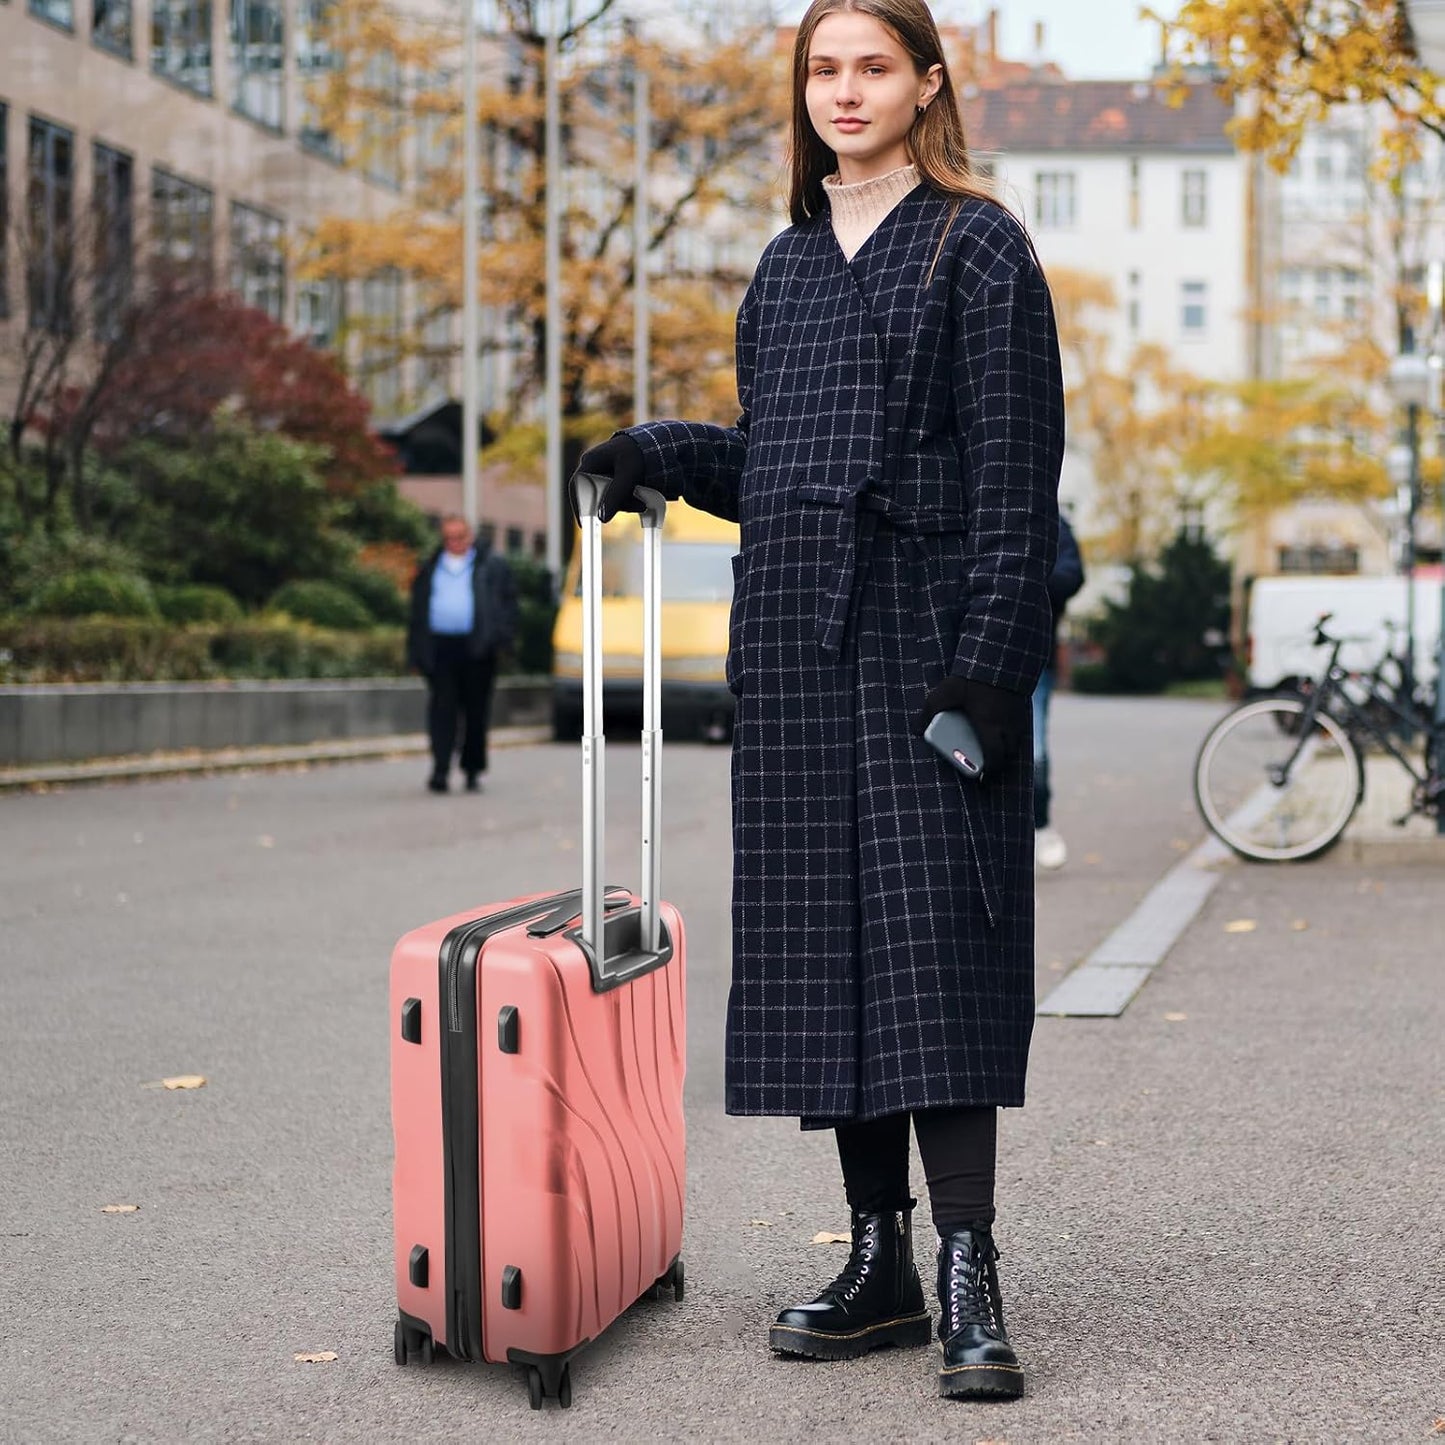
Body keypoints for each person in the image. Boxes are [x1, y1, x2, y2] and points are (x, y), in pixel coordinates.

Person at [572, 0, 1062, 1403]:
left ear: (925, 84)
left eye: (872, 66)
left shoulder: (978, 245)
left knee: (934, 942)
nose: (844, 90)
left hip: (924, 637)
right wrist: (661, 449)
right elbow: (784, 456)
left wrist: (986, 674)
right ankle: (878, 1258)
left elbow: (1017, 484)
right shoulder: (783, 269)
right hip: (791, 642)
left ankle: (969, 1263)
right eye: (822, 68)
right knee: (825, 947)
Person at [406, 515, 517, 794]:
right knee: (442, 710)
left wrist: (501, 639)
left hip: (477, 648)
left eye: (460, 537)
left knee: (476, 713)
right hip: (440, 648)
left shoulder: (490, 565)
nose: (455, 543)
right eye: (449, 538)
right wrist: (415, 653)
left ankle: (472, 768)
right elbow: (416, 612)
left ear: (470, 536)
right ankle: (440, 769)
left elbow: (507, 604)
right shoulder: (431, 566)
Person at [1034, 512, 1084, 869]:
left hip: (1034, 655)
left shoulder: (1051, 521)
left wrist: (1023, 582)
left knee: (1034, 750)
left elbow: (1072, 574)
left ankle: (1040, 826)